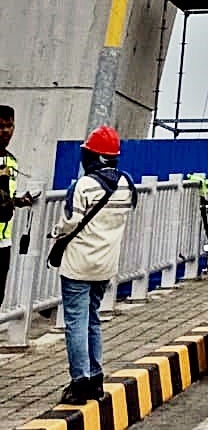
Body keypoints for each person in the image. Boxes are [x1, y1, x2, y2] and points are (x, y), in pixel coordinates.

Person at [55, 125, 136, 404]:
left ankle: (79, 383)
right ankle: (96, 378)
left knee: (75, 322)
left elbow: (69, 223)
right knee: (93, 320)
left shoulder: (83, 186)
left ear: (93, 156)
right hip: (105, 265)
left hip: (78, 265)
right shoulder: (126, 184)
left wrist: (56, 232)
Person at [0, 105, 36, 307]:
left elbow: (5, 201)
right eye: (0, 126)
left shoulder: (11, 161)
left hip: (3, 240)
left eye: (9, 126)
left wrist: (18, 200)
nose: (5, 131)